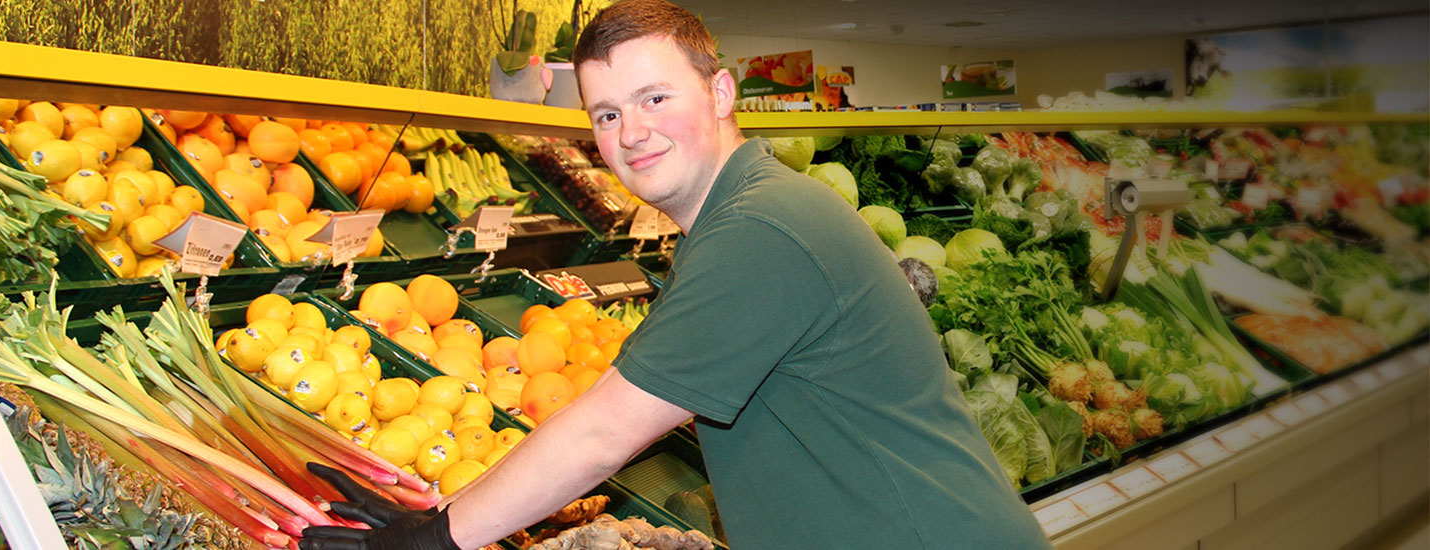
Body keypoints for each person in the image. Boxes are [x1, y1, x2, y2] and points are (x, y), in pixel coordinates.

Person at [299, 1, 1052, 548]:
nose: (632, 134)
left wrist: (433, 540)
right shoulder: (738, 216)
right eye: (605, 115)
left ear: (720, 94)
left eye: (654, 98)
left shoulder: (763, 228)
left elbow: (604, 431)